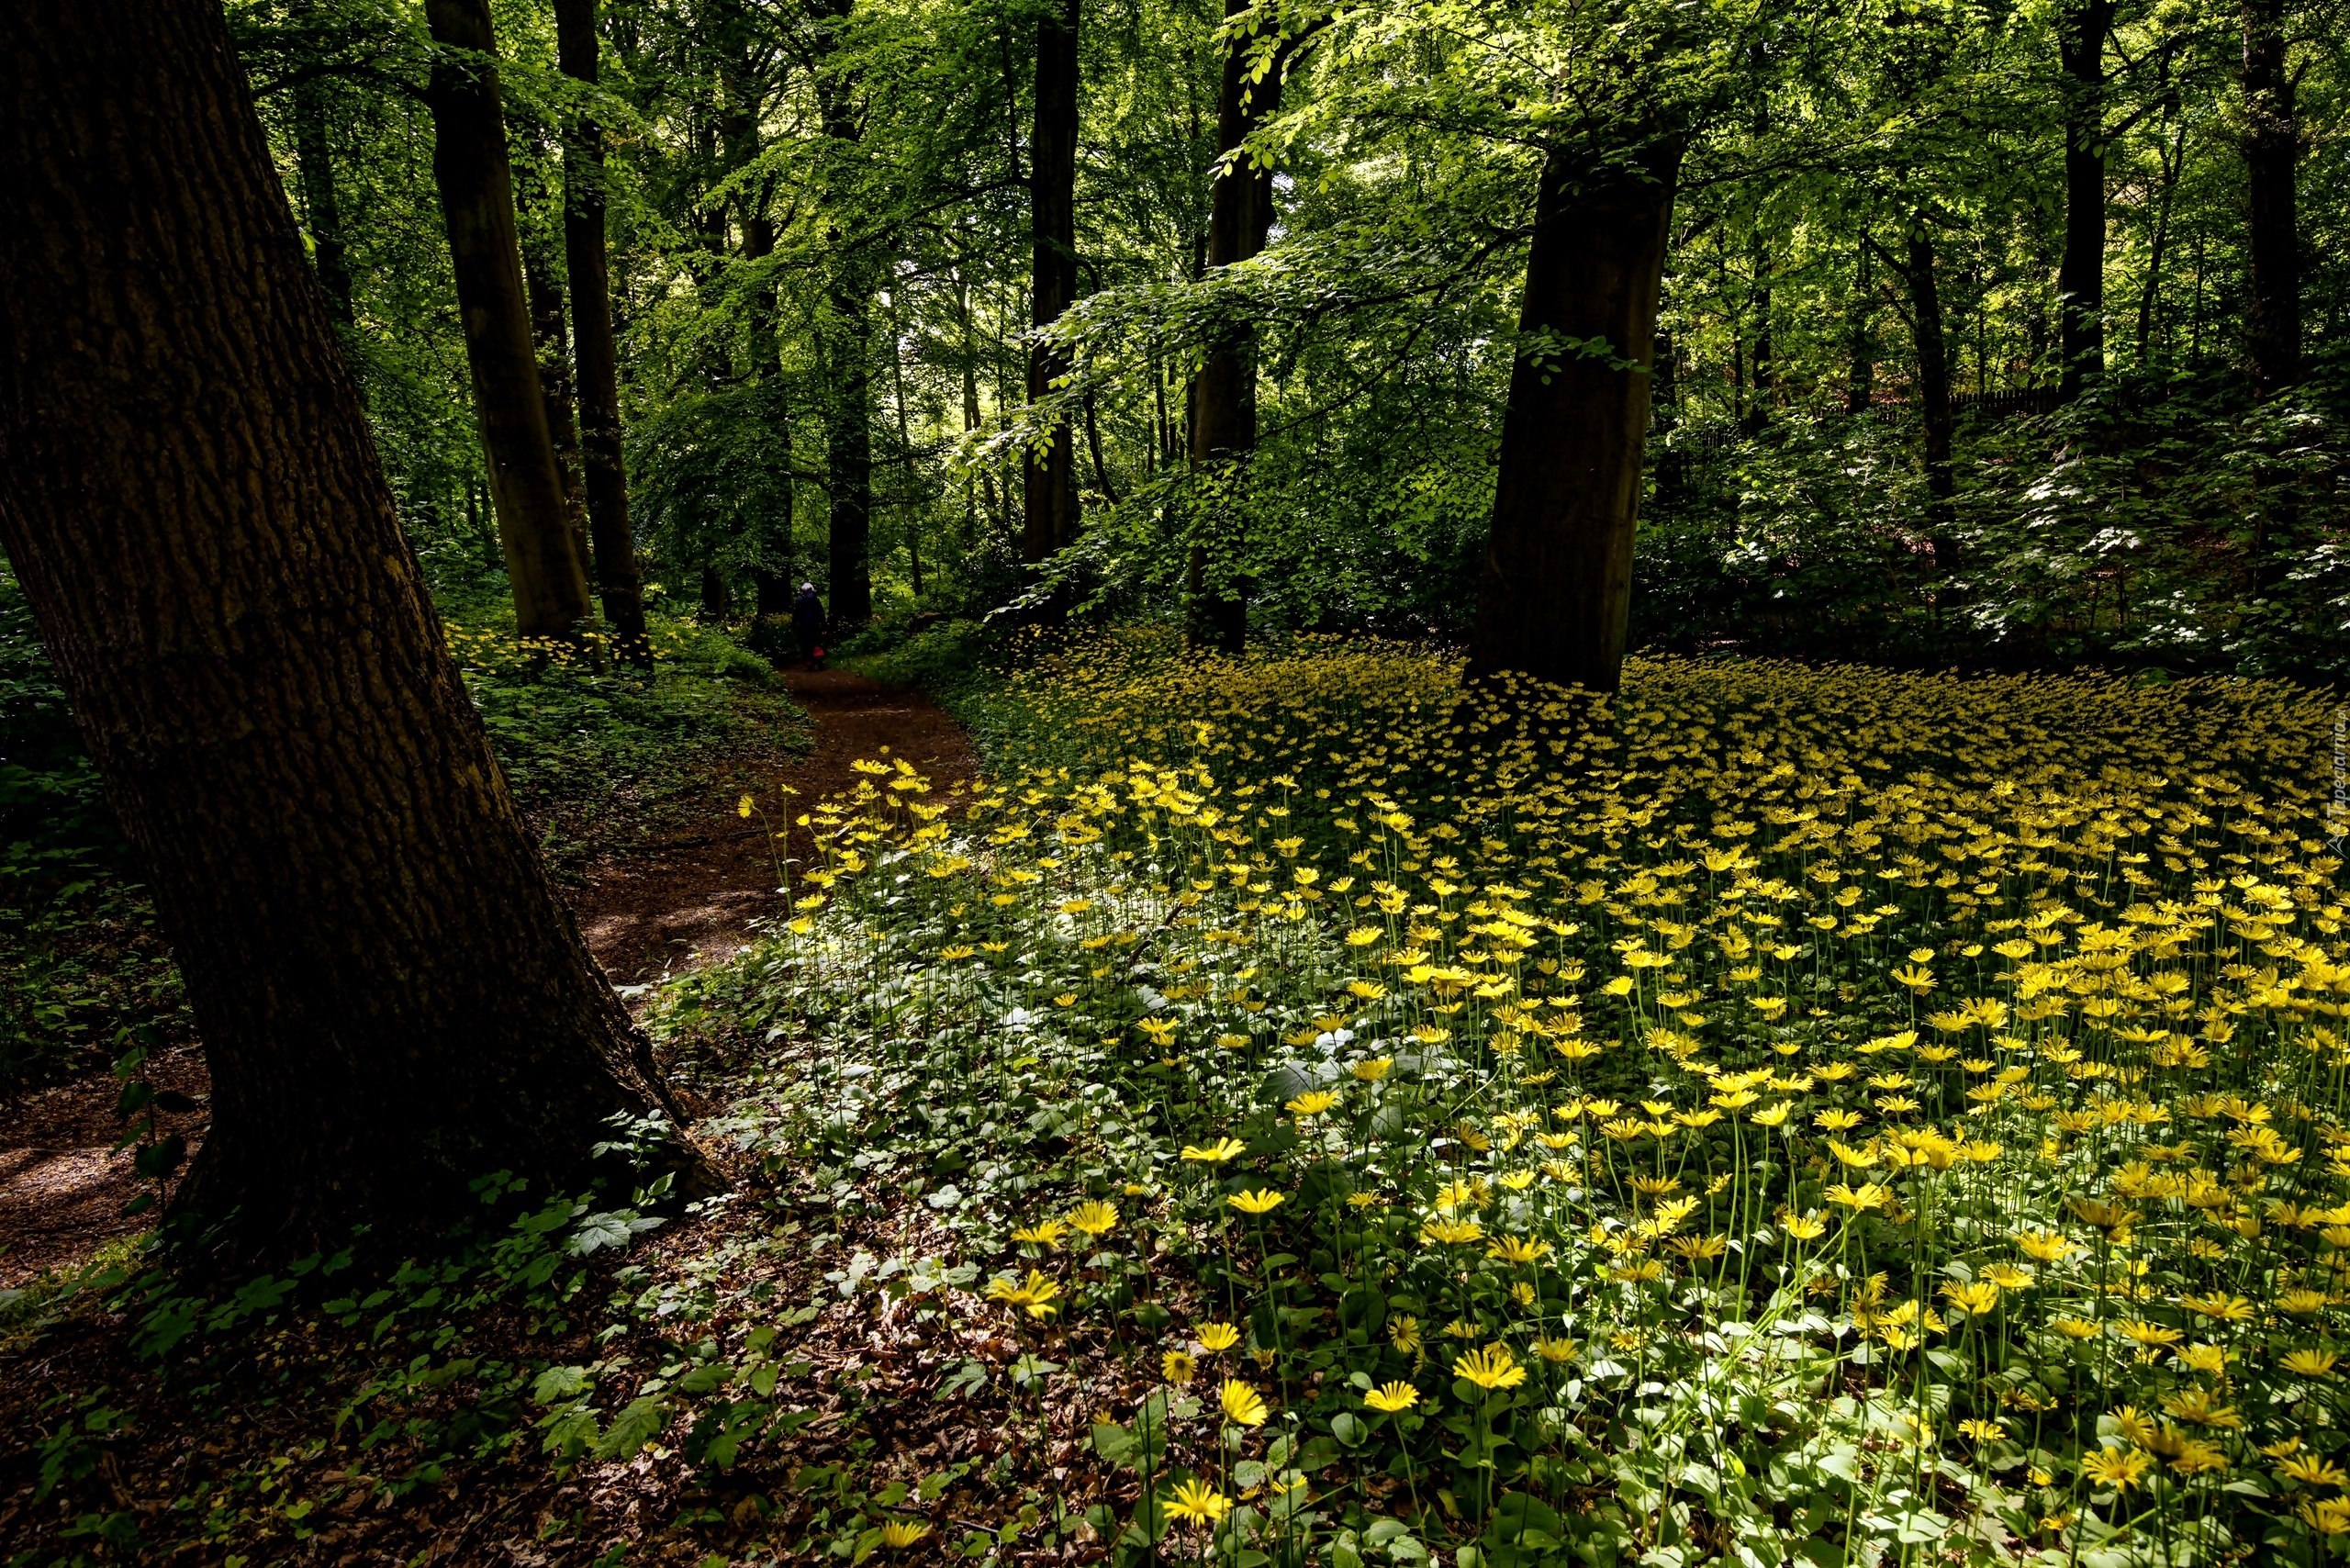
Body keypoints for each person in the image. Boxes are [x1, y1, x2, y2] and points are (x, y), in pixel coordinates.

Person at [791, 582, 826, 669]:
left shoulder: (800, 600)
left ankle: (809, 663)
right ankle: (819, 660)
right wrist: (824, 625)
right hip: (815, 624)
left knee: (806, 644)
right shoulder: (816, 599)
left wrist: (793, 626)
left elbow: (796, 614)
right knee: (816, 642)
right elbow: (821, 613)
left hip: (804, 625)